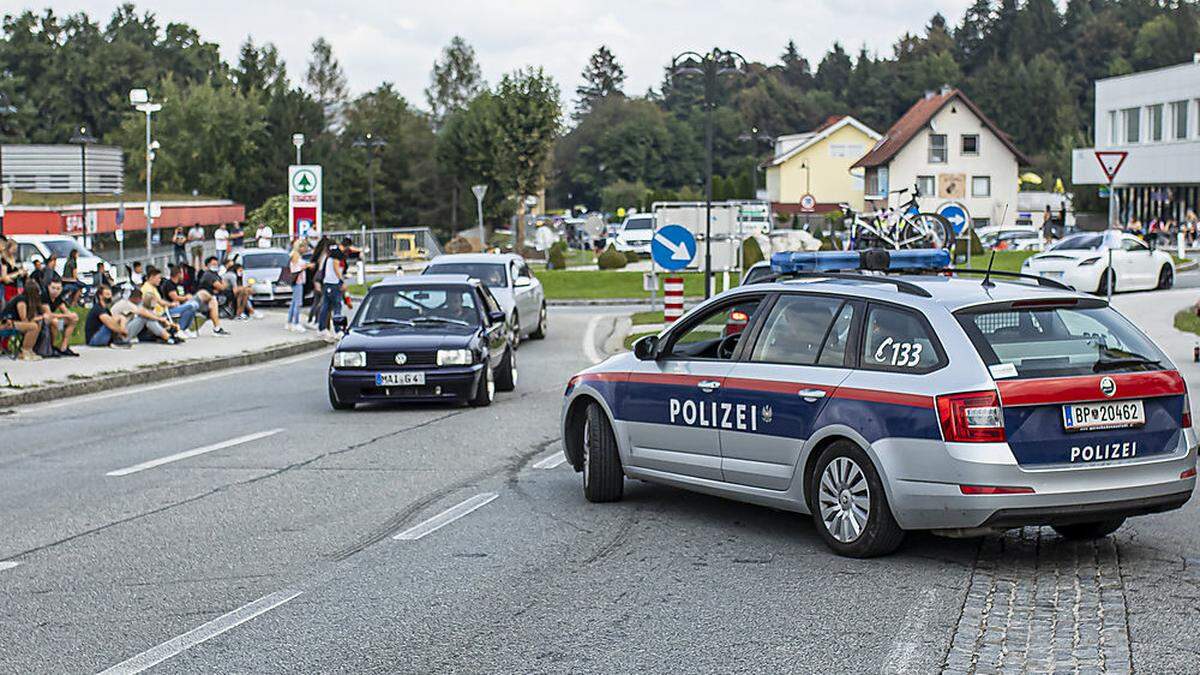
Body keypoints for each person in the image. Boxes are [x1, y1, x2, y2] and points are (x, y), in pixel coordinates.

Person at [161, 264, 213, 339]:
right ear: (178, 274)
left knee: (192, 308)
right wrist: (186, 298)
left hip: (183, 306)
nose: (183, 275)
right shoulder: (169, 283)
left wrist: (188, 297)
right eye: (182, 273)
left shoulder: (180, 284)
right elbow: (175, 297)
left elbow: (183, 295)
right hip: (171, 308)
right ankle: (180, 329)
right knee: (194, 303)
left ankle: (185, 329)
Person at [111, 287, 177, 345]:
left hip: (124, 329)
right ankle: (167, 336)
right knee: (143, 318)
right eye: (140, 299)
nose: (141, 301)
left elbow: (147, 312)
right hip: (120, 334)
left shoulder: (130, 303)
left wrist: (165, 321)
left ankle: (166, 335)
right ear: (135, 298)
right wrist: (159, 319)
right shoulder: (126, 304)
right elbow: (143, 313)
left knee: (147, 317)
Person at [141, 266, 190, 342]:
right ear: (151, 277)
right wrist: (171, 304)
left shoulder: (153, 288)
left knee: (190, 307)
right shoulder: (147, 289)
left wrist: (170, 304)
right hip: (159, 314)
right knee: (191, 306)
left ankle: (178, 330)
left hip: (162, 312)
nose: (160, 280)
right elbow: (156, 303)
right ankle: (177, 331)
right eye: (158, 278)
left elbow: (159, 301)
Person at [0, 282, 45, 360]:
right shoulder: (21, 299)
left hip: (13, 323)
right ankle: (24, 351)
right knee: (33, 326)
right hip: (5, 324)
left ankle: (29, 349)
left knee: (38, 324)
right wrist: (36, 318)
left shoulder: (29, 301)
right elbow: (23, 318)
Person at [42, 278, 80, 356]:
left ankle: (64, 347)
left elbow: (65, 311)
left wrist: (72, 315)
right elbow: (49, 314)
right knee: (55, 321)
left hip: (51, 320)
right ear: (48, 287)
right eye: (53, 288)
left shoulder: (58, 298)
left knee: (73, 320)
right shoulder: (44, 296)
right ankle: (51, 347)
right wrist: (66, 315)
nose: (55, 291)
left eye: (58, 288)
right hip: (40, 319)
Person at [196, 257, 232, 336]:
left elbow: (219, 288)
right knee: (214, 301)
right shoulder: (208, 275)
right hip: (203, 299)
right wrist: (224, 281)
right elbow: (221, 287)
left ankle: (217, 328)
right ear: (207, 265)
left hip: (211, 296)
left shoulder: (214, 274)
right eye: (213, 264)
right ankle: (217, 328)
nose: (215, 265)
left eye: (216, 264)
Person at [317, 242, 345, 337]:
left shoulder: (327, 258)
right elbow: (336, 270)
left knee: (326, 306)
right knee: (337, 306)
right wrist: (342, 281)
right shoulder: (334, 259)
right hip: (334, 284)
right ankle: (338, 330)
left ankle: (322, 327)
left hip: (327, 284)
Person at [286, 238, 311, 331]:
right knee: (298, 303)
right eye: (304, 247)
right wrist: (306, 266)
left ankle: (289, 322)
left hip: (296, 281)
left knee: (293, 302)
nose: (306, 249)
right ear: (300, 247)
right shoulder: (295, 255)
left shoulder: (293, 254)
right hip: (298, 281)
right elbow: (296, 268)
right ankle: (296, 323)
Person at [0, 237, 27, 304]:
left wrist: (22, 273)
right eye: (14, 249)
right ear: (8, 248)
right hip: (7, 288)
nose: (15, 251)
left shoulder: (14, 259)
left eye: (16, 249)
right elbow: (5, 277)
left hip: (15, 286)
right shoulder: (4, 259)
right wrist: (17, 273)